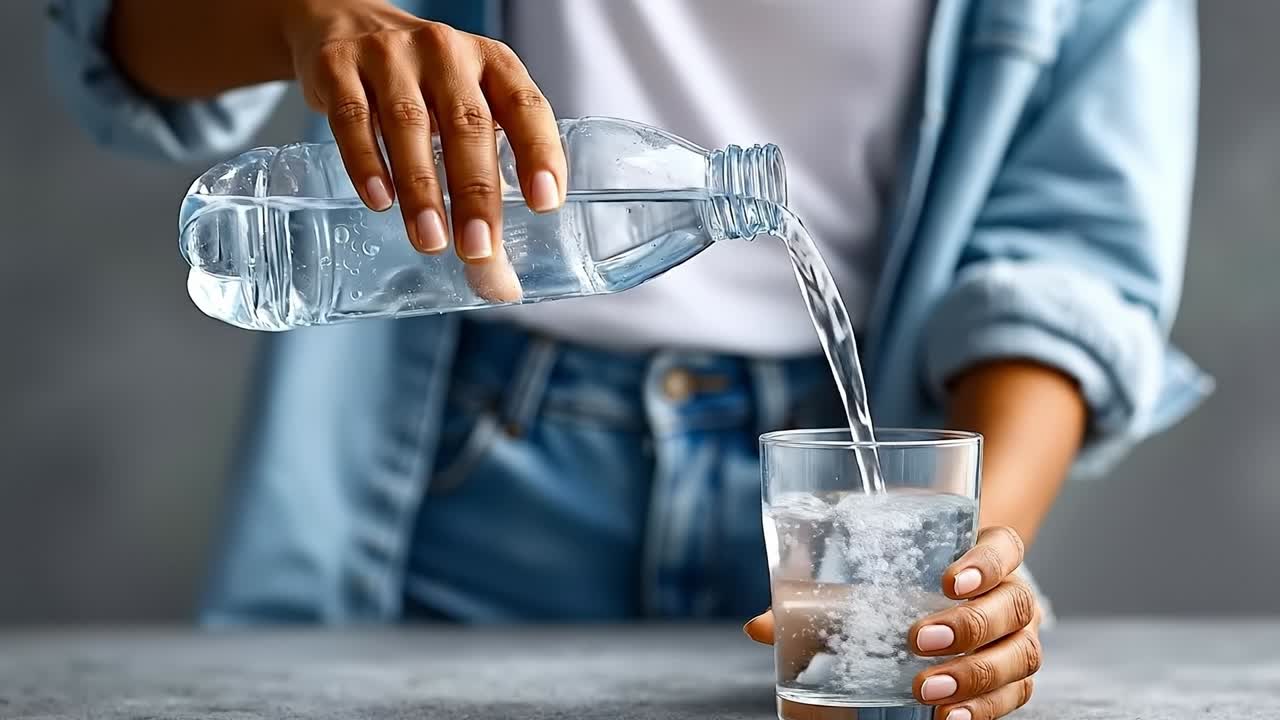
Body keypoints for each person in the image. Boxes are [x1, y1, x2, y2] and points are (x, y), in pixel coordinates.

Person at [48, 1, 1207, 717]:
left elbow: (1069, 265)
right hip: (470, 475)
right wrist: (303, 14)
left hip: (848, 476)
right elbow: (113, 40)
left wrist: (956, 579)